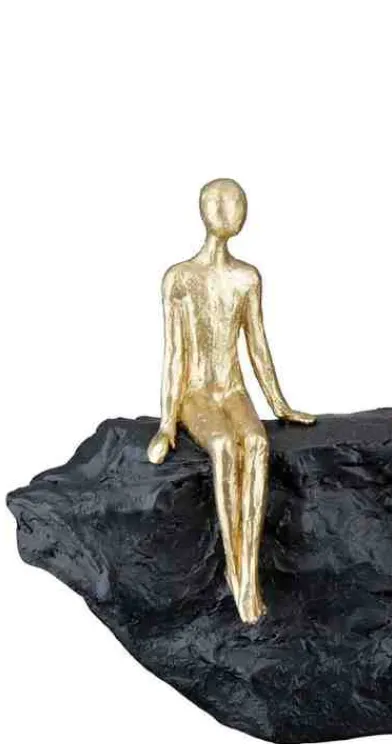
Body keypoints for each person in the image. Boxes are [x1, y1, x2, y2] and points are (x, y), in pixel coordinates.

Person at [147, 178, 314, 624]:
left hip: (232, 389)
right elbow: (175, 354)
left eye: (238, 203)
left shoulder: (246, 278)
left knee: (257, 444)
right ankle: (234, 570)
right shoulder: (180, 278)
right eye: (222, 203)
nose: (231, 211)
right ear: (205, 210)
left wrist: (280, 405)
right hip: (197, 393)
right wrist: (167, 423)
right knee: (223, 446)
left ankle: (249, 571)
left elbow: (257, 345)